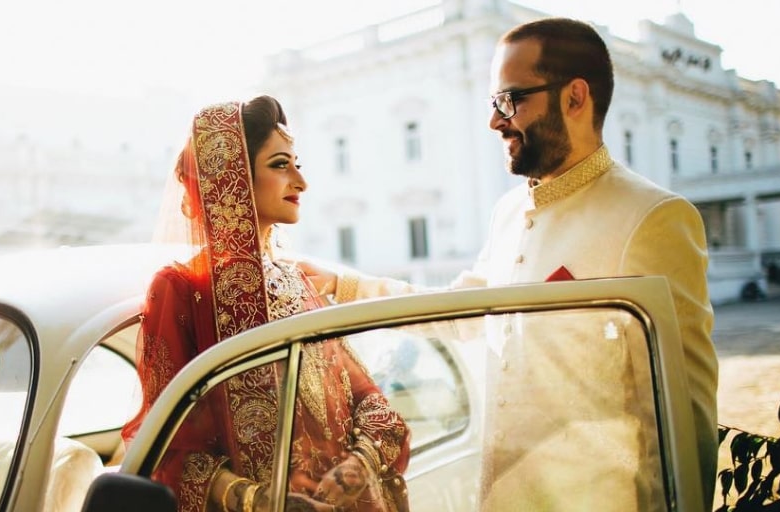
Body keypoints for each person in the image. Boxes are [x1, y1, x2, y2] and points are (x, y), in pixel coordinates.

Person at [302, 17, 718, 510]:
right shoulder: (509, 212)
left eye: (511, 100)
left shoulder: (652, 218)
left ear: (575, 97)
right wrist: (345, 285)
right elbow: (463, 310)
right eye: (493, 103)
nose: (495, 121)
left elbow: (683, 415)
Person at [121, 96, 411, 512]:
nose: (300, 182)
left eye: (297, 164)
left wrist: (356, 467)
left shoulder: (293, 278)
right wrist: (261, 501)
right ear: (232, 178)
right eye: (279, 165)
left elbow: (366, 397)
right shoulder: (183, 290)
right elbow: (168, 446)